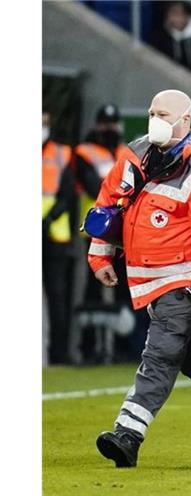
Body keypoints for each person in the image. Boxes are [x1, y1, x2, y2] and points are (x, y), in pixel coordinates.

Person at [91, 90, 191, 467]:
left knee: (161, 354)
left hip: (184, 282)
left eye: (162, 113)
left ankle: (128, 434)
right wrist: (100, 252)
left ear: (185, 120)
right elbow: (108, 201)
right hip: (151, 280)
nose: (154, 119)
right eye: (151, 112)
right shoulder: (136, 152)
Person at [69, 104, 132, 364]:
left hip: (126, 230)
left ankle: (123, 346)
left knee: (125, 289)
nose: (110, 128)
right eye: (106, 123)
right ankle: (89, 348)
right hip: (95, 230)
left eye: (113, 123)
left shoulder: (126, 151)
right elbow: (94, 187)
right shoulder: (84, 151)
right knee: (94, 290)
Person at [42, 110, 76, 365]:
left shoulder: (61, 153)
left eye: (45, 122)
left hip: (54, 234)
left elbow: (67, 195)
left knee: (57, 295)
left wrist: (48, 219)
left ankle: (59, 353)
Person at [149, 1, 191, 72]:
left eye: (180, 14)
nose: (177, 19)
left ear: (188, 16)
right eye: (173, 14)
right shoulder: (160, 36)